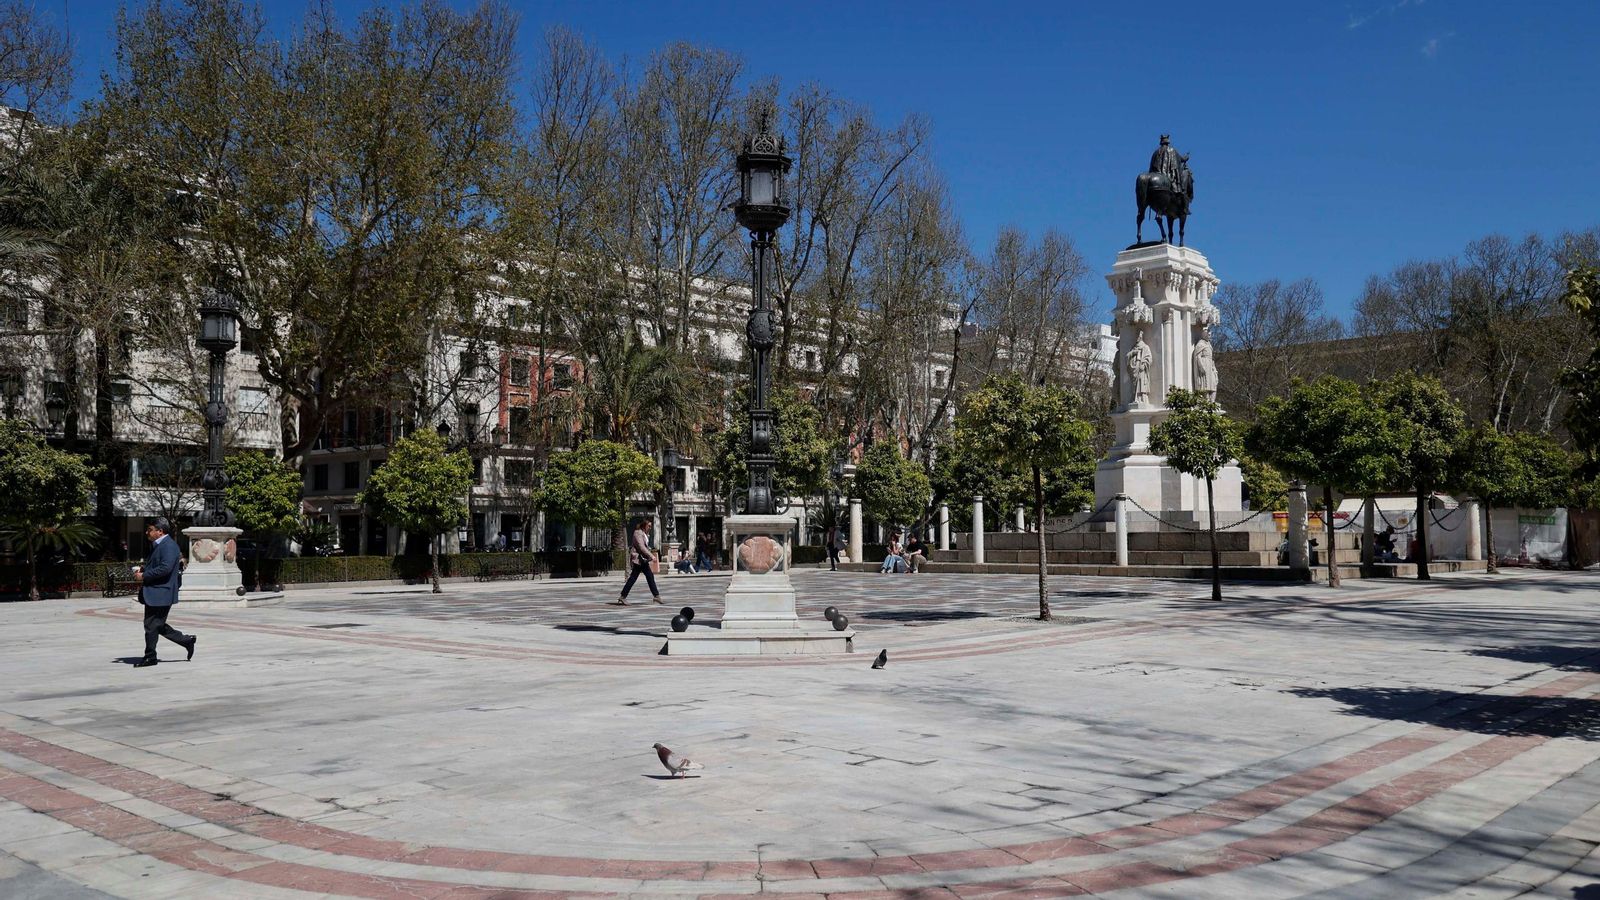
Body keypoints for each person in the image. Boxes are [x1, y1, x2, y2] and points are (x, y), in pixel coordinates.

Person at [133, 518, 195, 668]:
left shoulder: (168, 546)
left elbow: (165, 568)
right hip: (156, 591)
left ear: (160, 531)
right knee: (156, 625)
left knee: (151, 625)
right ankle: (186, 641)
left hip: (161, 592)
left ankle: (150, 657)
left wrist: (144, 575)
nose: (147, 532)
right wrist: (144, 569)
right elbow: (159, 565)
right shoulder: (159, 545)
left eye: (150, 530)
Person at [613, 519, 661, 605]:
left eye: (651, 526)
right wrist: (651, 556)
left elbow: (645, 546)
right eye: (649, 526)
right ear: (644, 525)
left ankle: (656, 596)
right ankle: (656, 596)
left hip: (642, 559)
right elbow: (641, 547)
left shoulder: (645, 534)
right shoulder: (638, 533)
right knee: (638, 577)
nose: (650, 528)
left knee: (644, 577)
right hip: (639, 559)